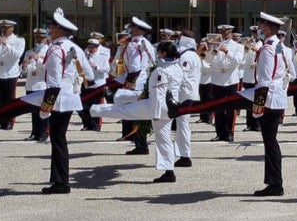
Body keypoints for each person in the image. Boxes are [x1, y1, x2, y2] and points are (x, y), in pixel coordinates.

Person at [92, 40, 183, 182]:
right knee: (163, 139)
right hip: (170, 108)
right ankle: (169, 172)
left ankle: (94, 109)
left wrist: (156, 114)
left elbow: (158, 94)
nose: (158, 55)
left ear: (164, 53)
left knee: (123, 111)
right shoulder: (176, 68)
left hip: (156, 107)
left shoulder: (161, 71)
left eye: (159, 52)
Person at [40, 8, 90, 194]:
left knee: (58, 139)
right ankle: (60, 180)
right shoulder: (75, 48)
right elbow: (89, 75)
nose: (49, 30)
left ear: (57, 30)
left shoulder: (55, 49)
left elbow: (53, 83)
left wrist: (46, 106)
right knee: (59, 138)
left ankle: (61, 182)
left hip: (59, 100)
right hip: (71, 98)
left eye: (52, 28)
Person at [251, 13, 290, 197]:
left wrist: (258, 106)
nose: (260, 29)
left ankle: (275, 184)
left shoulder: (268, 48)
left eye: (262, 26)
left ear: (268, 29)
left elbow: (265, 80)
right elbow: (287, 71)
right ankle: (274, 182)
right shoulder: (279, 46)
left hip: (268, 99)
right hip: (277, 96)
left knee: (270, 142)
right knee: (271, 142)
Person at [120, 18, 157, 154]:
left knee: (136, 114)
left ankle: (141, 146)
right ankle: (141, 144)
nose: (130, 30)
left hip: (136, 82)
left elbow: (135, 67)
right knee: (141, 114)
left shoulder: (133, 44)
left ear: (136, 29)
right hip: (146, 81)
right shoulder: (146, 43)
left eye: (132, 27)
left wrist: (128, 84)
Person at [209, 23, 244, 143]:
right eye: (222, 32)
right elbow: (209, 62)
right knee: (218, 107)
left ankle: (229, 133)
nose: (224, 34)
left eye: (226, 32)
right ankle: (219, 133)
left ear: (231, 33)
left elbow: (237, 61)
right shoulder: (215, 45)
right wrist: (211, 52)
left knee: (231, 108)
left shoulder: (237, 46)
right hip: (217, 79)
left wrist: (227, 51)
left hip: (230, 79)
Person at [173, 32, 202, 167]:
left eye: (179, 38)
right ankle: (182, 153)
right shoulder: (193, 55)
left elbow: (181, 76)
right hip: (189, 93)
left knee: (183, 125)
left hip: (184, 94)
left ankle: (185, 155)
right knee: (182, 125)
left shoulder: (186, 56)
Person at [0, 19, 26, 130]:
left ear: (12, 28)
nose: (3, 30)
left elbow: (17, 55)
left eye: (6, 28)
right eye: (2, 27)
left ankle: (10, 121)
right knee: (1, 99)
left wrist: (6, 44)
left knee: (10, 100)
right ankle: (1, 121)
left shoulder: (19, 40)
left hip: (10, 73)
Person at [23, 28, 50, 142]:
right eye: (36, 38)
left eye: (41, 38)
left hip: (41, 84)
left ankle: (43, 133)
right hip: (30, 84)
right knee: (33, 111)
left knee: (43, 111)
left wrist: (38, 58)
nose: (38, 40)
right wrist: (24, 65)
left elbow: (48, 67)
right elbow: (24, 71)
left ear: (46, 39)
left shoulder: (49, 51)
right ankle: (35, 133)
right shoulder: (29, 52)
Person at [77, 38, 110, 131]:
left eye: (93, 47)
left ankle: (96, 125)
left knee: (96, 106)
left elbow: (107, 69)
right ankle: (87, 124)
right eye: (89, 47)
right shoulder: (84, 56)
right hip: (86, 83)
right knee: (83, 105)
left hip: (98, 84)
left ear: (97, 47)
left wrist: (96, 67)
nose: (91, 49)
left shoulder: (102, 57)